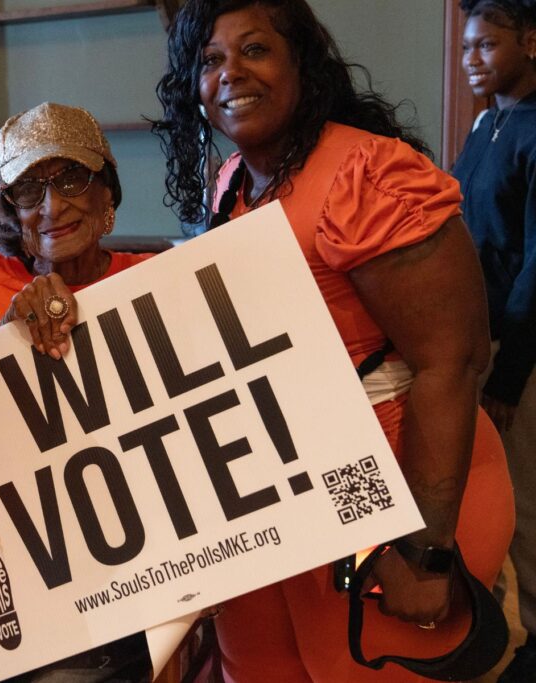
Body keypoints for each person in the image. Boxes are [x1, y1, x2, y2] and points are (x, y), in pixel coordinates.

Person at [154, 0, 514, 680]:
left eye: (254, 50)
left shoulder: (366, 174)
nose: (230, 73)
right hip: (283, 490)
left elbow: (453, 361)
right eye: (209, 61)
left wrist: (425, 550)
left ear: (301, 63)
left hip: (399, 482)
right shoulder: (232, 182)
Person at [0, 102, 155, 681]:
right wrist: (7, 340)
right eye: (29, 191)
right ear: (10, 210)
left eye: (71, 179)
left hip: (128, 577)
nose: (52, 206)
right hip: (3, 586)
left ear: (107, 191)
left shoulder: (152, 282)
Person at [453, 2, 536, 680]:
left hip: (522, 351)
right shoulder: (486, 123)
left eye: (488, 44)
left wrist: (508, 379)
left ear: (530, 42)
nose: (472, 56)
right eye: (466, 46)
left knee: (526, 504)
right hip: (476, 345)